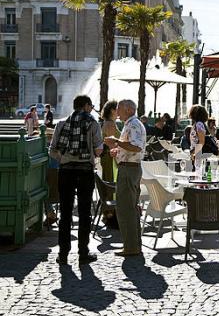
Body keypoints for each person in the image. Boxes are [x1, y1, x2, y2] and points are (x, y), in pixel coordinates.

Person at [49, 95, 103, 265]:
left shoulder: (61, 123)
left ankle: (63, 254)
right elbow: (99, 149)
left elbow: (52, 149)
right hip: (85, 171)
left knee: (65, 213)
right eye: (91, 105)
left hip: (65, 171)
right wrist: (89, 155)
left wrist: (65, 158)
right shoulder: (92, 123)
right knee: (85, 213)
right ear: (86, 106)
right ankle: (83, 253)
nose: (92, 108)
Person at [104, 99, 147, 257]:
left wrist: (116, 142)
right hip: (129, 168)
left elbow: (136, 147)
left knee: (125, 209)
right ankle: (133, 245)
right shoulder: (131, 124)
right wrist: (117, 149)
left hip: (129, 170)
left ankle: (131, 247)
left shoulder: (133, 124)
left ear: (129, 109)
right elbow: (131, 147)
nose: (117, 111)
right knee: (129, 208)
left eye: (119, 108)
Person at [100, 100, 120, 183]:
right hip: (110, 157)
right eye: (118, 108)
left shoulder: (109, 123)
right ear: (112, 110)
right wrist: (118, 161)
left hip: (109, 157)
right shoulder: (110, 124)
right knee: (110, 183)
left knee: (109, 181)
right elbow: (111, 144)